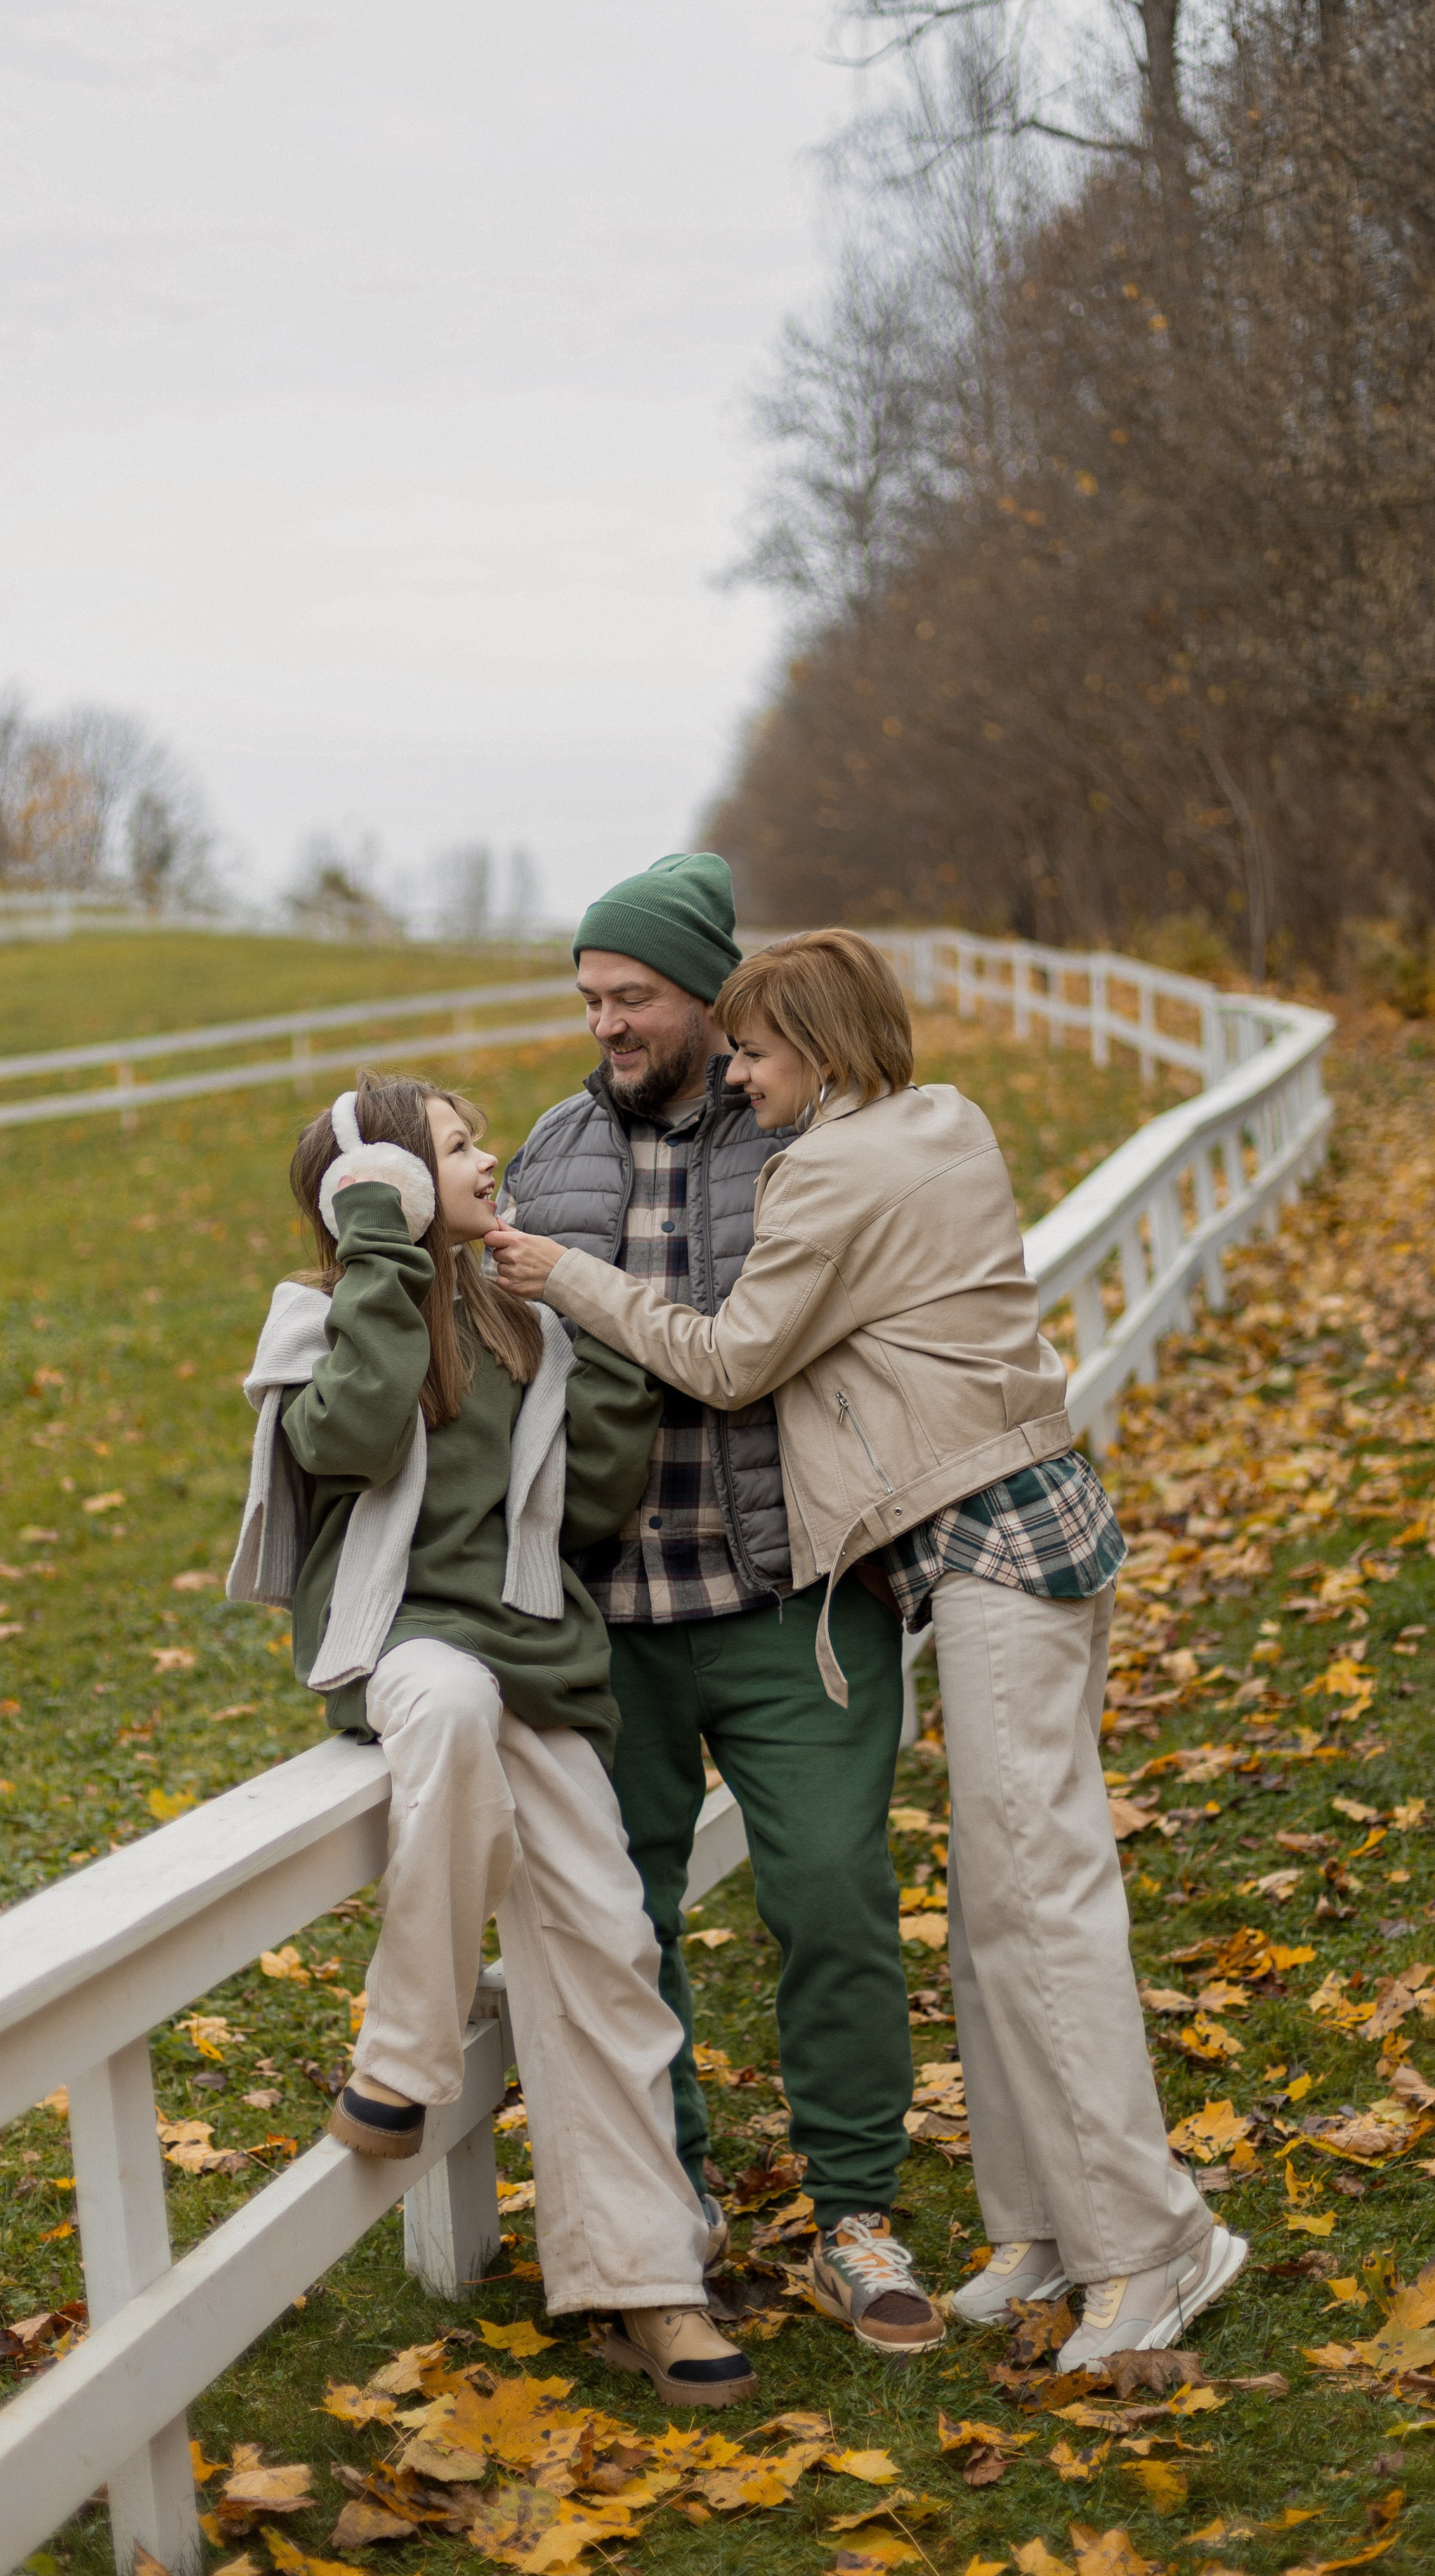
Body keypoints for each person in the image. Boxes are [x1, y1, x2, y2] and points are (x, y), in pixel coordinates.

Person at [490, 927, 1248, 2372]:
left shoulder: (829, 1167)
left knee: (1037, 1898)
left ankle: (1150, 2241)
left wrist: (565, 1278)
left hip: (983, 1541)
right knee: (991, 1898)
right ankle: (1039, 2225)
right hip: (1017, 1521)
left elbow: (726, 1361)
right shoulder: (940, 1117)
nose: (741, 1077)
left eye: (759, 1054)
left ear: (819, 1057)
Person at [227, 1071, 756, 2408]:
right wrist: (385, 1261)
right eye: (455, 1145)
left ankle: (648, 2284)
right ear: (388, 1187)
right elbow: (346, 1436)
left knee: (613, 1949)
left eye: (477, 1140)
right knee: (451, 1706)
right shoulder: (330, 1312)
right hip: (402, 1643)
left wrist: (608, 1345)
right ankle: (401, 2062)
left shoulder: (527, 1313)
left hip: (537, 1650)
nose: (489, 1156)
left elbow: (589, 1510)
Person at [495, 856, 944, 2359]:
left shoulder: (803, 1137)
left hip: (791, 1597)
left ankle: (856, 2214)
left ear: (707, 995)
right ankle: (664, 2212)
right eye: (589, 999)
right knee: (622, 1927)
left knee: (828, 1894)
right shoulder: (548, 1152)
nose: (607, 1024)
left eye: (632, 998)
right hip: (605, 1620)